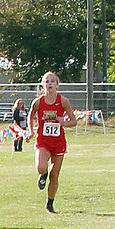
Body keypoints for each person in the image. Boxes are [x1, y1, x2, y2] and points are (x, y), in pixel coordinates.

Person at [28, 72, 77, 214]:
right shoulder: (38, 102)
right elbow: (30, 116)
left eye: (52, 81)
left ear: (57, 84)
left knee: (55, 174)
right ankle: (42, 175)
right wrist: (31, 131)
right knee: (41, 167)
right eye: (46, 81)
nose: (49, 84)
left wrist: (64, 122)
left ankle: (50, 203)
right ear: (43, 85)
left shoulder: (63, 101)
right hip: (43, 140)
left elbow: (74, 121)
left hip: (58, 142)